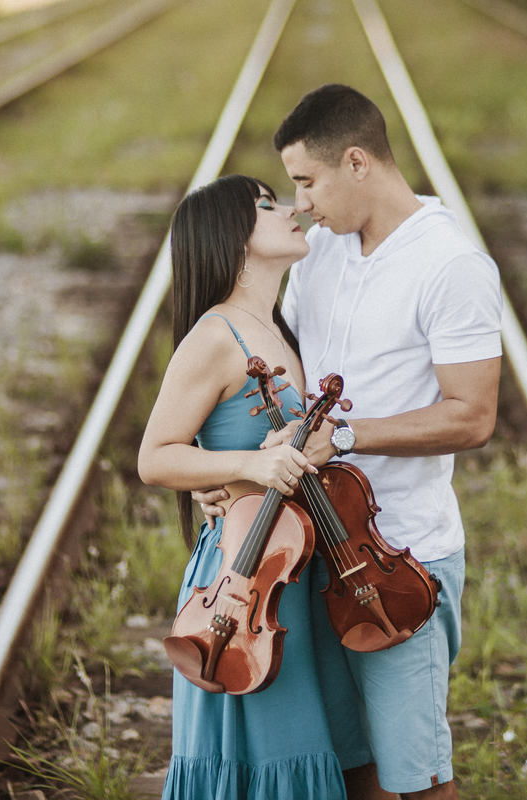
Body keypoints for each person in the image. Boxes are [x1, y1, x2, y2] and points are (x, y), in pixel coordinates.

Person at [197, 84, 503, 799]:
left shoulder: (451, 264)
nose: (299, 202)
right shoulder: (323, 253)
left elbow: (473, 416)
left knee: (419, 777)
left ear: (357, 163)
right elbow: (292, 391)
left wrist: (352, 435)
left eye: (307, 181)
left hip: (396, 562)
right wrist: (236, 474)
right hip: (306, 554)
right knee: (348, 768)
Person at [137, 174, 347, 799]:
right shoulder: (215, 335)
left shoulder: (278, 328)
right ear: (234, 239)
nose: (288, 210)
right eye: (265, 205)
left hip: (290, 568)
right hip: (245, 573)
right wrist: (249, 468)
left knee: (302, 744)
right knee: (264, 756)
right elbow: (155, 458)